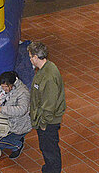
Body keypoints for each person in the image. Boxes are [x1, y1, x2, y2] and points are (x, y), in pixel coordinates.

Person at [28, 41, 66, 173]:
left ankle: (53, 170)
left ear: (35, 57)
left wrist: (43, 123)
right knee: (46, 147)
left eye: (30, 56)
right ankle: (49, 168)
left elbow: (49, 104)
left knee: (50, 149)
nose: (30, 59)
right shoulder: (46, 69)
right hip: (45, 119)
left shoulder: (48, 76)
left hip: (48, 122)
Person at [0, 71, 32, 162]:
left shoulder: (23, 92)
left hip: (17, 126)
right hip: (3, 121)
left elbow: (22, 110)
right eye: (2, 87)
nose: (4, 89)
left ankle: (17, 145)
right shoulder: (3, 87)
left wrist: (2, 109)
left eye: (6, 87)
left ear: (12, 84)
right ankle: (10, 141)